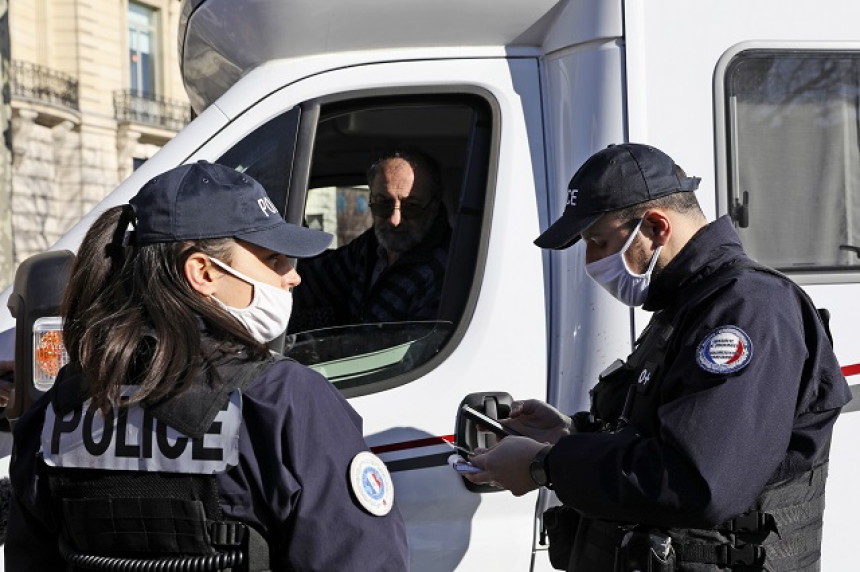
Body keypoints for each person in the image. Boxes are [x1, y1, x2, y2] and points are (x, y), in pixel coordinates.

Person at [463, 143, 852, 571]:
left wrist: (546, 466)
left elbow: (696, 481)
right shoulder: (691, 302)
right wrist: (568, 433)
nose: (591, 260)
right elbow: (662, 430)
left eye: (598, 241)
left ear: (655, 227)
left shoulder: (749, 308)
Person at [5, 161, 409, 570]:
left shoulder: (59, 410)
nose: (292, 277)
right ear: (203, 272)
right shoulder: (286, 402)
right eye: (273, 259)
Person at [289, 149, 451, 332]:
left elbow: (418, 355)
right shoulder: (371, 245)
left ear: (434, 206)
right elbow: (317, 280)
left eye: (412, 206)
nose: (394, 220)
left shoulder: (444, 271)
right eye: (383, 204)